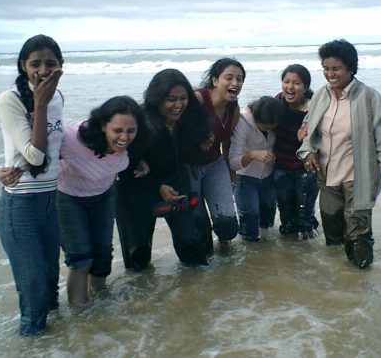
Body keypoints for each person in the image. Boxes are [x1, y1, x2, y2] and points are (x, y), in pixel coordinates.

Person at [297, 39, 381, 269]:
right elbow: (310, 128)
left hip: (359, 178)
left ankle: (362, 290)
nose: (329, 74)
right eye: (326, 68)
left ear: (350, 69)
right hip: (326, 177)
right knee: (333, 237)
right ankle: (339, 286)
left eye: (336, 68)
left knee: (358, 237)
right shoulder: (320, 96)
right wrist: (308, 152)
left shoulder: (369, 98)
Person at [0, 34, 65, 335]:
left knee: (50, 282)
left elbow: (57, 145)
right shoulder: (9, 99)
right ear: (23, 66)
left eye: (50, 63)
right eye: (35, 64)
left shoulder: (58, 97)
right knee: (33, 284)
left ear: (61, 66)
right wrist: (39, 103)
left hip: (51, 198)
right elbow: (36, 156)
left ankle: (62, 345)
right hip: (20, 204)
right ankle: (31, 340)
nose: (43, 70)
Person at [115, 69, 213, 270]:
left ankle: (201, 294)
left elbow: (191, 153)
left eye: (183, 98)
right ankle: (144, 299)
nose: (178, 105)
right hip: (136, 188)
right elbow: (122, 170)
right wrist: (158, 186)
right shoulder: (139, 124)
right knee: (138, 254)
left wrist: (203, 141)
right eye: (171, 99)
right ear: (156, 98)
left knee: (190, 242)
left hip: (176, 180)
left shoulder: (188, 119)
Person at [56, 96, 148, 304]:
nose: (124, 137)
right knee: (81, 258)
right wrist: (9, 171)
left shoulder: (136, 143)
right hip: (68, 198)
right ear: (103, 125)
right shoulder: (73, 139)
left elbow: (126, 157)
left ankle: (99, 307)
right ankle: (81, 318)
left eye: (130, 131)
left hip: (104, 196)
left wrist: (139, 161)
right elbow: (41, 158)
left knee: (103, 254)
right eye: (117, 130)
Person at [189, 58, 243, 251]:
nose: (235, 83)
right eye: (229, 78)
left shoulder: (233, 107)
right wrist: (199, 136)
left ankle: (226, 258)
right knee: (197, 225)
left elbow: (227, 142)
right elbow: (174, 129)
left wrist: (230, 169)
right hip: (188, 166)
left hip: (215, 163)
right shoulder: (197, 99)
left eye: (239, 79)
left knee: (227, 223)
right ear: (214, 80)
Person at [272, 64, 319, 239]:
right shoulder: (276, 103)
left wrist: (306, 139)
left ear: (305, 87)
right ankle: (290, 253)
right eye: (286, 82)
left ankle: (308, 251)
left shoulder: (315, 109)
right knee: (286, 215)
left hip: (306, 168)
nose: (290, 87)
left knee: (304, 213)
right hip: (281, 166)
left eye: (296, 83)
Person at [229, 96, 285, 241]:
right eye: (265, 128)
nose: (269, 130)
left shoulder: (276, 118)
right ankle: (249, 254)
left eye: (272, 128)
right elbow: (233, 162)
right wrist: (253, 154)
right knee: (250, 217)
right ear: (255, 118)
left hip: (268, 176)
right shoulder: (243, 122)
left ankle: (263, 256)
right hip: (244, 177)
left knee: (268, 222)